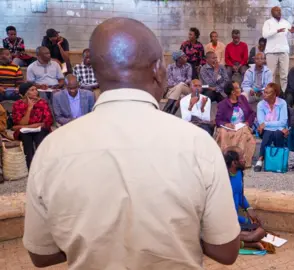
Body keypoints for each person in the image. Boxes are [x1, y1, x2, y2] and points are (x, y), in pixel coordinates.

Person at [23, 18, 240, 269]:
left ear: (95, 70)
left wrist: (91, 239)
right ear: (158, 69)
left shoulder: (52, 149)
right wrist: (177, 235)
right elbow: (226, 251)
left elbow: (40, 255)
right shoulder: (197, 144)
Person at [224, 147, 267, 251]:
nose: (245, 159)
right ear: (234, 162)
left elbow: (240, 195)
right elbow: (226, 214)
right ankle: (247, 243)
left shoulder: (239, 173)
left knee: (258, 230)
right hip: (224, 221)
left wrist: (248, 208)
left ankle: (237, 241)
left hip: (233, 222)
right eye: (242, 157)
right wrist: (246, 220)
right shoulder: (223, 179)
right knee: (258, 232)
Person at [12, 82, 53, 169]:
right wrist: (29, 109)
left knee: (40, 135)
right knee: (26, 138)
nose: (36, 92)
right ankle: (31, 167)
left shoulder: (42, 103)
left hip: (41, 130)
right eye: (32, 90)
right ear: (25, 93)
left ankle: (42, 165)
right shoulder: (17, 104)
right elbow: (19, 123)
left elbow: (47, 122)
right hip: (24, 132)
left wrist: (24, 127)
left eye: (36, 90)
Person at [215, 82, 256, 168]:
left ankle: (241, 160)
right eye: (238, 88)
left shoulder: (243, 99)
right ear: (233, 92)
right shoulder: (222, 104)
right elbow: (218, 120)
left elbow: (252, 113)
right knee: (223, 133)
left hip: (242, 126)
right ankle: (226, 160)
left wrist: (248, 122)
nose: (240, 89)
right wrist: (226, 124)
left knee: (244, 130)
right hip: (229, 127)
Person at [253, 83, 288, 172]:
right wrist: (278, 127)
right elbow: (261, 122)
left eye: (267, 93)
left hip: (278, 130)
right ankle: (263, 159)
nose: (264, 94)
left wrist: (266, 124)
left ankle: (264, 159)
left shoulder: (282, 103)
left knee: (276, 133)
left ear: (275, 94)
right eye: (264, 92)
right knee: (269, 133)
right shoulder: (261, 104)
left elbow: (283, 121)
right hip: (265, 131)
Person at [262, 6, 294, 92]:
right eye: (277, 10)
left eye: (280, 10)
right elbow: (264, 35)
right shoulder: (268, 22)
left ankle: (285, 93)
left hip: (283, 51)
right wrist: (277, 31)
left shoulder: (285, 22)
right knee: (271, 75)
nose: (279, 12)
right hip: (271, 52)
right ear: (272, 13)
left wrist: (293, 32)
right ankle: (271, 93)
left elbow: (292, 35)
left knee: (284, 75)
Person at [163, 50, 192, 115]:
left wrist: (179, 84)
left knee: (181, 85)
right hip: (172, 90)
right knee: (180, 96)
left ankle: (165, 110)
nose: (186, 57)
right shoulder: (170, 67)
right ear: (179, 59)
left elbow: (189, 80)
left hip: (185, 88)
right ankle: (171, 115)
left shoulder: (188, 66)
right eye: (184, 56)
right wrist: (178, 85)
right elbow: (169, 82)